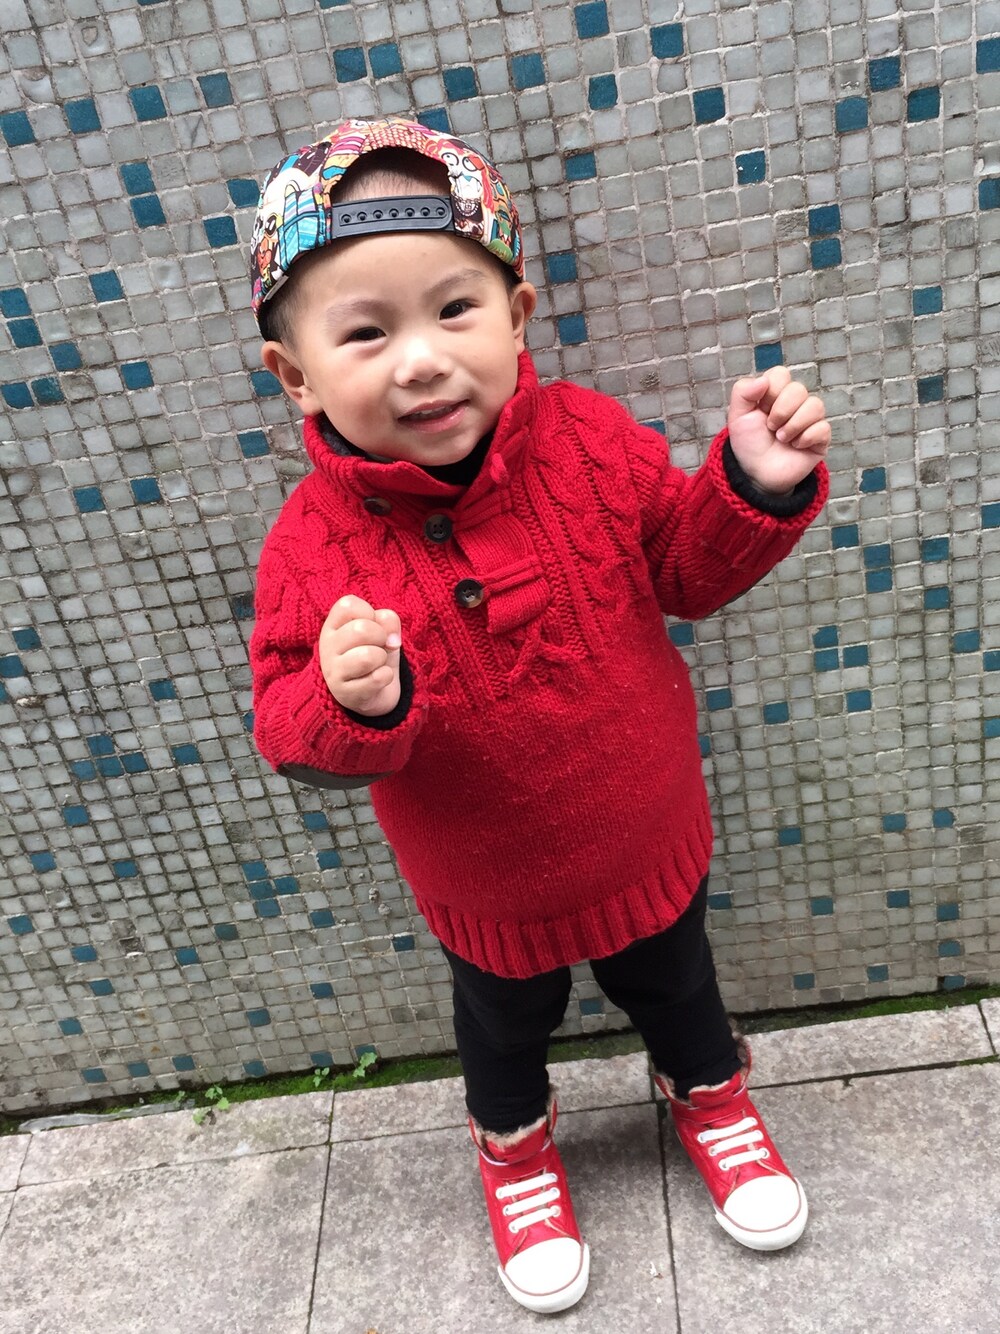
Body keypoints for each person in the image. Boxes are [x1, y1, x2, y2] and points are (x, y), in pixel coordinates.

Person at [247, 117, 831, 1314]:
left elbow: (684, 571)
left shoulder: (588, 442)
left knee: (678, 984)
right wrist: (351, 701)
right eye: (365, 332)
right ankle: (512, 1149)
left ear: (516, 317)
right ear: (296, 374)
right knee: (503, 1026)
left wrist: (749, 485)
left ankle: (709, 1091)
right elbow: (284, 729)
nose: (421, 361)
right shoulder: (310, 550)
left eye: (454, 310)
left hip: (643, 835)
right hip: (486, 887)